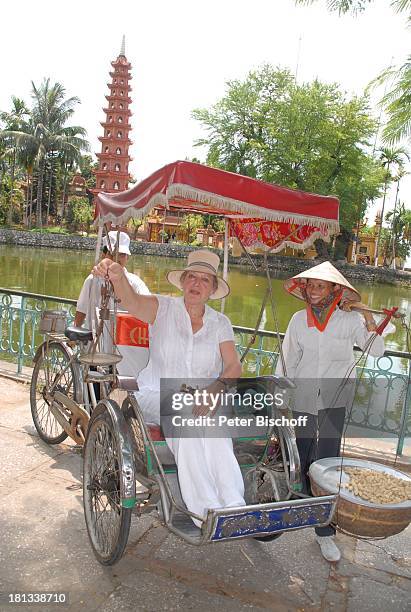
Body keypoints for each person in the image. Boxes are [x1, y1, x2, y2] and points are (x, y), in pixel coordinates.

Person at [93, 249, 245, 527]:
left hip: (203, 397)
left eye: (204, 280)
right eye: (192, 277)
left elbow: (234, 367)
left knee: (216, 432)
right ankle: (206, 510)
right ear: (183, 281)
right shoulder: (162, 308)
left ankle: (234, 504)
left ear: (212, 289)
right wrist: (117, 275)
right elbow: (132, 300)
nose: (196, 284)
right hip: (155, 394)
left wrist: (215, 390)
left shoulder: (220, 323)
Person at [275, 261, 394, 563]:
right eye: (310, 286)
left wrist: (365, 314)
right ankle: (298, 507)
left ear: (334, 291)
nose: (313, 291)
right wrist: (278, 394)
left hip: (334, 397)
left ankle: (324, 530)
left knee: (327, 461)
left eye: (320, 286)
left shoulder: (349, 321)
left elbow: (377, 350)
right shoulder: (298, 320)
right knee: (300, 453)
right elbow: (287, 358)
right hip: (302, 395)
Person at [74, 231, 150, 378]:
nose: (117, 259)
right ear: (104, 254)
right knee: (93, 394)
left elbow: (147, 310)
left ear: (127, 257)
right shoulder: (92, 280)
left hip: (124, 351)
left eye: (122, 255)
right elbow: (81, 310)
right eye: (112, 254)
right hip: (95, 348)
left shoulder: (135, 283)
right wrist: (75, 333)